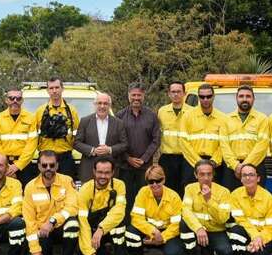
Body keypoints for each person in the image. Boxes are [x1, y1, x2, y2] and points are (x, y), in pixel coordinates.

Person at [23, 150, 79, 255]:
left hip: (59, 228)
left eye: (52, 165)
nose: (48, 168)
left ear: (57, 165)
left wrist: (52, 221)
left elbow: (72, 207)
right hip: (41, 232)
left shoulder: (67, 181)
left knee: (72, 223)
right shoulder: (30, 187)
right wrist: (35, 250)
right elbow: (29, 221)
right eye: (44, 165)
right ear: (38, 166)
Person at [125, 164, 184, 255]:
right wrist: (153, 231)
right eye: (151, 181)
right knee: (130, 233)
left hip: (168, 233)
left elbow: (176, 225)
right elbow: (136, 218)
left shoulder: (174, 196)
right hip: (150, 231)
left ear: (164, 179)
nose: (155, 184)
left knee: (174, 254)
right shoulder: (143, 192)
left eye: (158, 180)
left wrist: (162, 238)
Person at [180, 159, 234, 255]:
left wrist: (209, 200)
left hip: (216, 230)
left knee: (226, 253)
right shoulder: (190, 188)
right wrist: (198, 228)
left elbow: (223, 219)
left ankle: (211, 253)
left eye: (209, 174)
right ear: (196, 175)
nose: (206, 178)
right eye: (202, 174)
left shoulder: (224, 192)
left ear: (213, 175)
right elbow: (186, 211)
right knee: (183, 223)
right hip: (197, 230)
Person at [78, 157, 130, 255]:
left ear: (113, 173)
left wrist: (101, 229)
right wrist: (89, 252)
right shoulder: (85, 189)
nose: (103, 176)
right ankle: (104, 251)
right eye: (100, 172)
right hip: (92, 229)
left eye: (107, 173)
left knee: (119, 225)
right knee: (82, 254)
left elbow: (119, 211)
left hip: (109, 227)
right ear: (94, 172)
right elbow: (83, 222)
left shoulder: (119, 185)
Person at [116, 83, 161, 211]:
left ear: (143, 96)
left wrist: (144, 159)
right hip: (125, 166)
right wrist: (128, 158)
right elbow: (116, 140)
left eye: (139, 95)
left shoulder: (152, 116)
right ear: (128, 96)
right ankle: (126, 221)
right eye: (133, 95)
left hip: (145, 167)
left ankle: (142, 220)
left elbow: (156, 140)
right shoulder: (119, 116)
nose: (136, 98)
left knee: (145, 196)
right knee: (126, 198)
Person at [229, 163, 272, 255]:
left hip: (264, 236)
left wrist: (260, 238)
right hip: (248, 232)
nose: (248, 178)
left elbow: (271, 227)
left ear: (258, 178)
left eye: (251, 175)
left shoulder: (268, 198)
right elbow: (240, 220)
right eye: (244, 175)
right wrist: (255, 236)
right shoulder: (235, 195)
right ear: (241, 179)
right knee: (235, 231)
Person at [179, 84, 227, 188]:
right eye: (202, 97)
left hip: (215, 164)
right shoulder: (187, 116)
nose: (205, 99)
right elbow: (183, 142)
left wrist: (214, 161)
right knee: (191, 192)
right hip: (192, 163)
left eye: (208, 96)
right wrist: (198, 162)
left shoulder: (223, 118)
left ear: (213, 96)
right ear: (198, 97)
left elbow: (224, 143)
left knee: (215, 193)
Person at [73, 92, 128, 183]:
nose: (102, 106)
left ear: (109, 106)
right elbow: (76, 143)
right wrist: (92, 150)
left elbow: (124, 144)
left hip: (111, 170)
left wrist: (109, 149)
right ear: (95, 105)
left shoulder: (118, 123)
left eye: (105, 103)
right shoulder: (85, 121)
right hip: (88, 170)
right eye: (99, 103)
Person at [223, 85, 269, 189]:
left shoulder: (262, 119)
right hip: (231, 169)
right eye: (241, 96)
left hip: (256, 166)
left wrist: (244, 167)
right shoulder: (226, 119)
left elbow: (262, 146)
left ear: (253, 99)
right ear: (236, 98)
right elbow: (224, 146)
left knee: (256, 196)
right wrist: (235, 165)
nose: (244, 99)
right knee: (231, 197)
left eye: (248, 96)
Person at [0, 88, 39, 187]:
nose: (15, 101)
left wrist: (18, 166)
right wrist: (5, 165)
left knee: (25, 191)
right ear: (6, 100)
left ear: (22, 100)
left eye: (18, 98)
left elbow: (31, 145)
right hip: (3, 165)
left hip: (24, 165)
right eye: (11, 98)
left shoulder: (31, 118)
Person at [35, 77, 80, 179]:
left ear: (62, 89)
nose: (54, 91)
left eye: (57, 87)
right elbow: (35, 136)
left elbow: (76, 134)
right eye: (51, 88)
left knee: (66, 185)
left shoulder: (72, 111)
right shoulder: (40, 111)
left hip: (65, 157)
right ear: (47, 90)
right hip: (45, 157)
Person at [157, 81, 193, 195]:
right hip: (167, 158)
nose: (176, 94)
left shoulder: (192, 112)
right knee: (167, 189)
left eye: (178, 91)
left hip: (186, 157)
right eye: (173, 92)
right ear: (169, 94)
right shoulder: (162, 111)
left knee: (186, 188)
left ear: (184, 94)